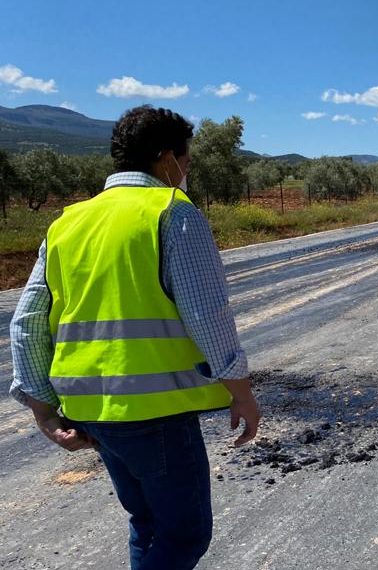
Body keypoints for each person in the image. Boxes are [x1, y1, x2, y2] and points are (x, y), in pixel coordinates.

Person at [9, 105, 261, 568]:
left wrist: (43, 409)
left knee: (147, 524)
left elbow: (25, 323)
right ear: (167, 158)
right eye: (186, 161)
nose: (186, 171)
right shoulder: (173, 212)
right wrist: (241, 392)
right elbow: (207, 314)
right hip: (156, 412)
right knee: (184, 536)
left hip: (91, 412)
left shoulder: (67, 222)